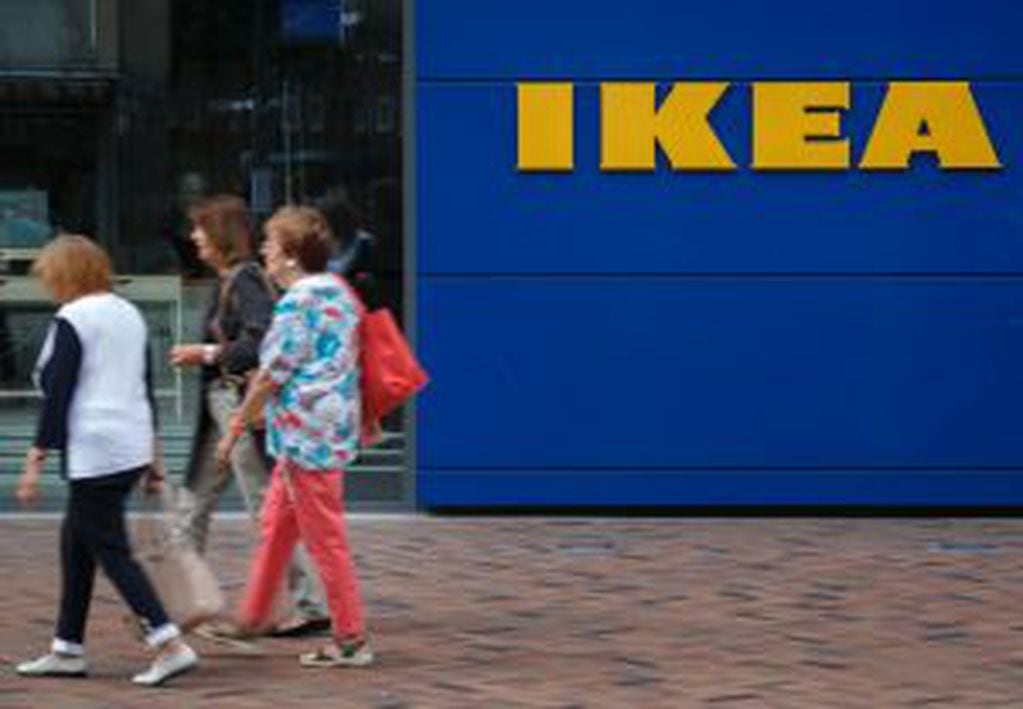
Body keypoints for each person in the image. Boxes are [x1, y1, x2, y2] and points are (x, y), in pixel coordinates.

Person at [14, 235, 199, 687]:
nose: (47, 285)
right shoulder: (128, 313)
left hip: (95, 449)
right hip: (129, 445)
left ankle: (168, 642)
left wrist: (35, 459)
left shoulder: (73, 317)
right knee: (77, 545)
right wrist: (154, 459)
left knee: (110, 549)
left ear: (64, 274)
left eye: (48, 276)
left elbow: (60, 392)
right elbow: (145, 386)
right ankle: (67, 648)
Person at [215, 205, 372, 667]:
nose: (264, 250)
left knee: (325, 540)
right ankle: (252, 620)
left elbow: (269, 375)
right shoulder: (339, 292)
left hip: (306, 438)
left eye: (270, 243)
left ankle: (350, 639)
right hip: (321, 432)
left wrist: (237, 425)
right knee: (276, 528)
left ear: (290, 255)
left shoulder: (297, 302)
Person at [168, 194, 329, 635]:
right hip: (221, 408)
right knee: (194, 505)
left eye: (201, 228)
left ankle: (312, 604)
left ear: (219, 234)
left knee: (264, 506)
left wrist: (205, 353)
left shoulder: (244, 280)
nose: (195, 237)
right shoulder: (230, 280)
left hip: (238, 406)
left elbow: (261, 340)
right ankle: (183, 601)